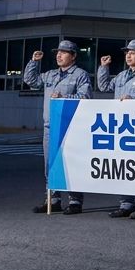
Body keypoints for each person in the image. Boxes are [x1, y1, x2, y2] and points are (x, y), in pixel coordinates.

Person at [23, 40, 92, 215]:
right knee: (50, 163)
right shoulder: (50, 75)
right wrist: (34, 62)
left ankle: (75, 200)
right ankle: (53, 199)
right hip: (50, 127)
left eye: (64, 52)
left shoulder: (80, 75)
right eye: (57, 52)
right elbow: (31, 80)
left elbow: (85, 97)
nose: (59, 55)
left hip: (70, 127)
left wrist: (64, 98)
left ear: (73, 56)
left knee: (71, 163)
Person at [95, 39, 135, 219]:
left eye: (133, 52)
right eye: (127, 52)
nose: (128, 55)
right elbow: (104, 87)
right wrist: (103, 68)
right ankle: (125, 203)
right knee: (123, 167)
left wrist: (134, 101)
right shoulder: (122, 76)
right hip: (121, 128)